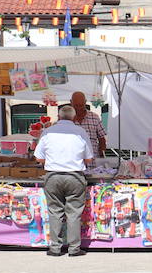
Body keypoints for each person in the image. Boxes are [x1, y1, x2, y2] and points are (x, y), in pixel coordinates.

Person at [34, 104, 93, 257]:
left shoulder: (47, 132)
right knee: (74, 213)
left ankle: (55, 248)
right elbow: (89, 158)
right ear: (73, 117)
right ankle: (74, 249)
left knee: (55, 212)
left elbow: (39, 157)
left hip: (53, 176)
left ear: (59, 117)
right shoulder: (81, 132)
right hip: (74, 176)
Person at [70, 91, 108, 157]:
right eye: (76, 105)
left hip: (92, 161)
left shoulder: (95, 117)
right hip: (73, 161)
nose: (79, 108)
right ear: (71, 102)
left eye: (81, 105)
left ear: (85, 102)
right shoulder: (66, 119)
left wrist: (102, 156)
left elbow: (102, 139)